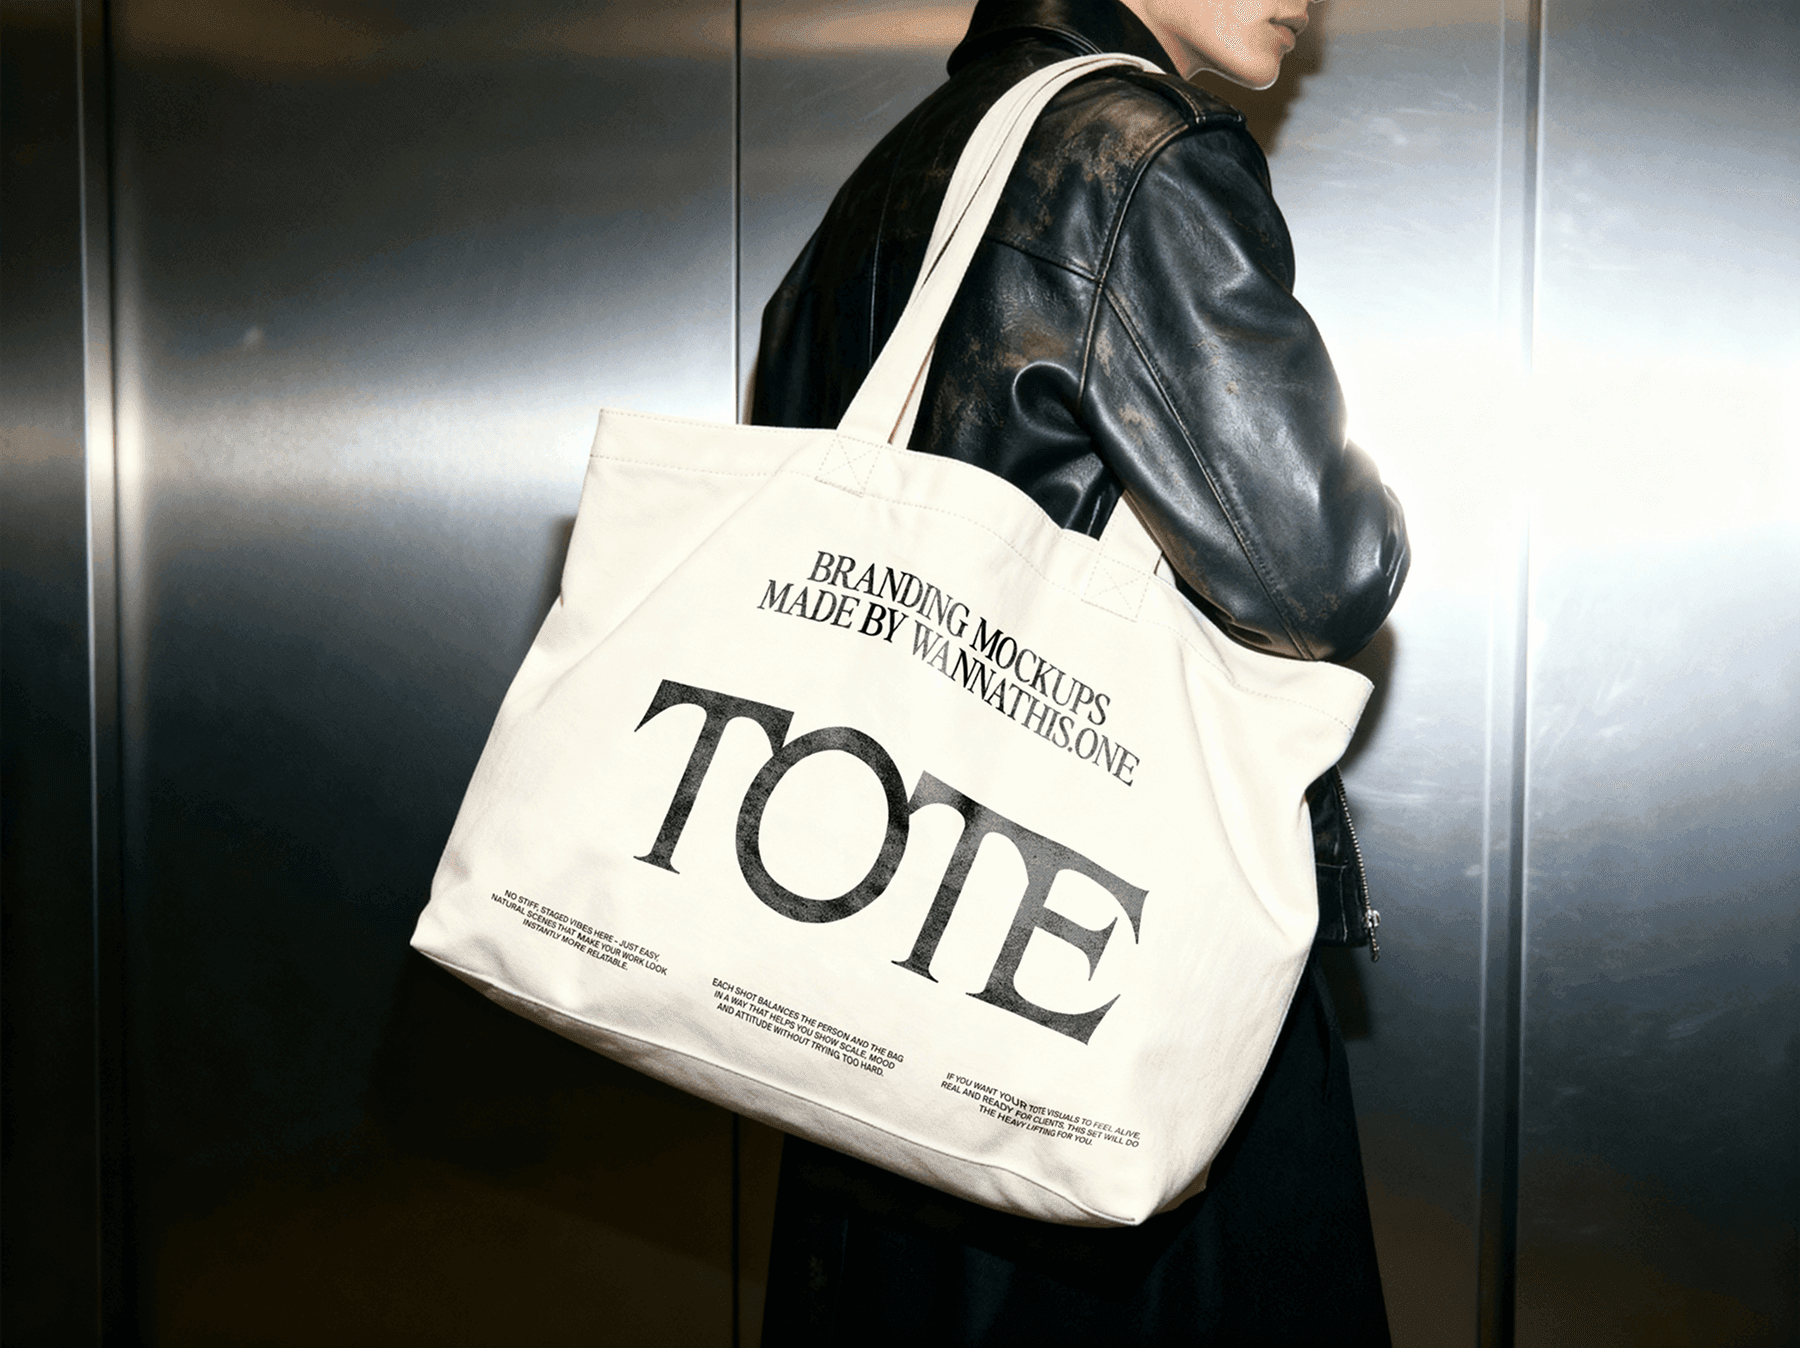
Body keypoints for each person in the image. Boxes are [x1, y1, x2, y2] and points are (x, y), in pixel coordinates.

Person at [750, 0, 1409, 1339]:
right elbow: (1322, 569)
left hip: (865, 941)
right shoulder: (1133, 157)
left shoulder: (901, 168)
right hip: (1079, 962)